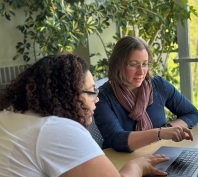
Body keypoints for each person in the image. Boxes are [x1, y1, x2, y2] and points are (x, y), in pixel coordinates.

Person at [0, 53, 170, 177]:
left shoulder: (9, 116)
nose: (96, 99)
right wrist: (137, 166)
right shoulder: (55, 128)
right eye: (91, 92)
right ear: (68, 95)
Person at [94, 36, 198, 152]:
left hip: (158, 154)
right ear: (118, 64)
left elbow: (191, 113)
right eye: (134, 64)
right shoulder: (103, 97)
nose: (141, 72)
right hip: (122, 163)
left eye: (144, 64)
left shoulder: (158, 85)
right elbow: (116, 139)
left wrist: (168, 130)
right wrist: (159, 133)